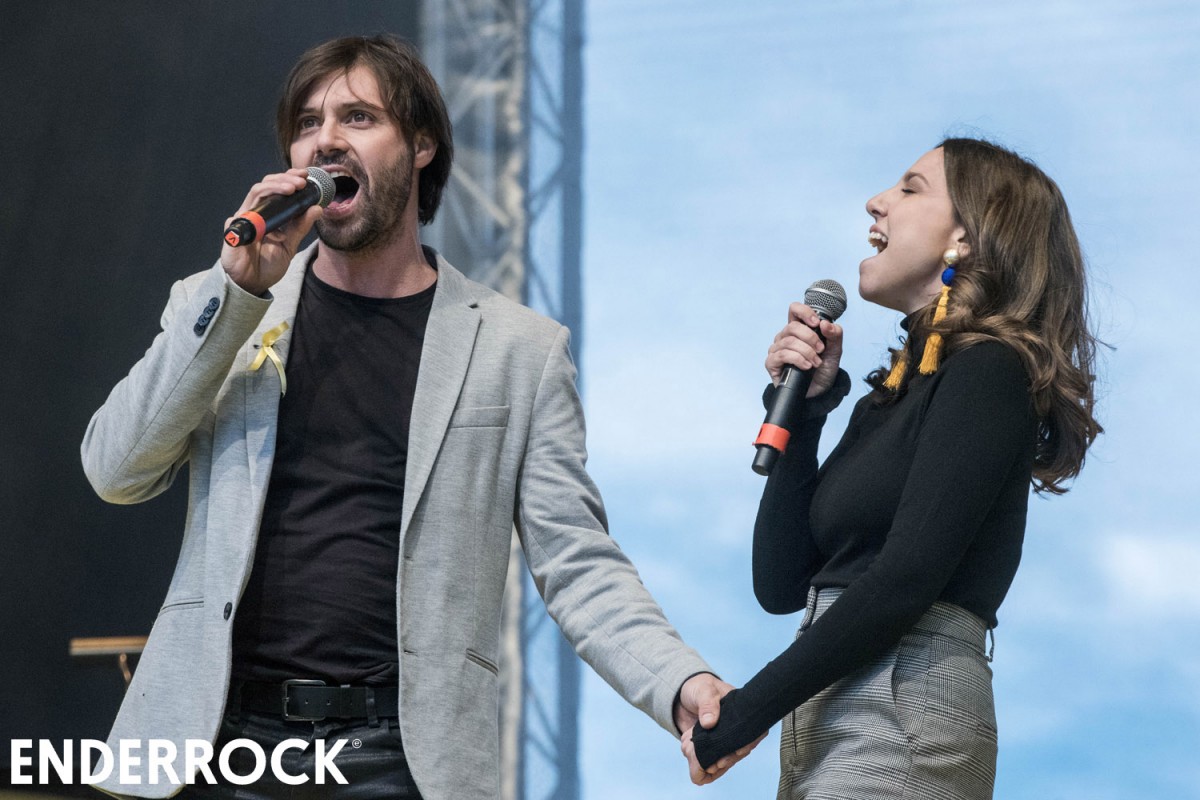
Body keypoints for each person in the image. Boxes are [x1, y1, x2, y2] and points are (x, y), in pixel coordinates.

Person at [81, 34, 755, 800]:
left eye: (358, 117)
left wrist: (679, 680)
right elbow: (114, 470)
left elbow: (576, 560)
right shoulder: (226, 307)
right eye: (307, 123)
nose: (324, 140)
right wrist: (235, 294)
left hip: (397, 760)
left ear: (422, 145)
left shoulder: (517, 349)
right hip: (217, 746)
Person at [682, 138, 1102, 797]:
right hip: (830, 719)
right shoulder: (890, 397)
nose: (876, 203)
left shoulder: (989, 373)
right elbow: (782, 583)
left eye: (910, 188)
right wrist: (806, 410)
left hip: (902, 713)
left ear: (967, 235)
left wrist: (743, 714)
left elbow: (905, 580)